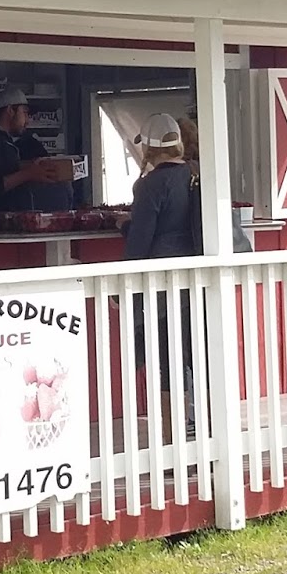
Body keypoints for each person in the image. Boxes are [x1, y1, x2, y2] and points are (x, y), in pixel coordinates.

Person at [122, 113, 199, 435]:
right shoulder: (196, 174)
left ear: (149, 147)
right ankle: (207, 427)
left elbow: (140, 241)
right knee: (200, 355)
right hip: (199, 280)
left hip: (164, 282)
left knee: (169, 359)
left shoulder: (150, 185)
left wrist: (123, 291)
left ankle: (173, 435)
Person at [0, 87, 61, 216]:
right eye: (24, 113)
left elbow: (4, 171)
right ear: (10, 110)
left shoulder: (1, 140)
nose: (27, 121)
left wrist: (29, 166)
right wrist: (29, 173)